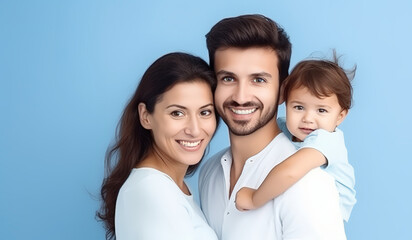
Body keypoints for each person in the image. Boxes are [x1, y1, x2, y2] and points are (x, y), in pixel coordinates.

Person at [198, 14, 346, 239]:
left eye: (258, 80)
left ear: (282, 92)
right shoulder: (209, 172)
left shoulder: (308, 183)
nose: (241, 96)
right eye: (228, 78)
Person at [97, 52, 219, 240]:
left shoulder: (172, 187)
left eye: (205, 112)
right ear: (145, 116)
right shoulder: (153, 190)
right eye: (177, 113)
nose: (195, 130)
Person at [235, 53, 357, 222]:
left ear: (340, 116)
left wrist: (254, 199)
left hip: (325, 217)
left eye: (321, 110)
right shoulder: (285, 127)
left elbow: (290, 172)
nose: (307, 118)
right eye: (298, 107)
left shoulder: (326, 140)